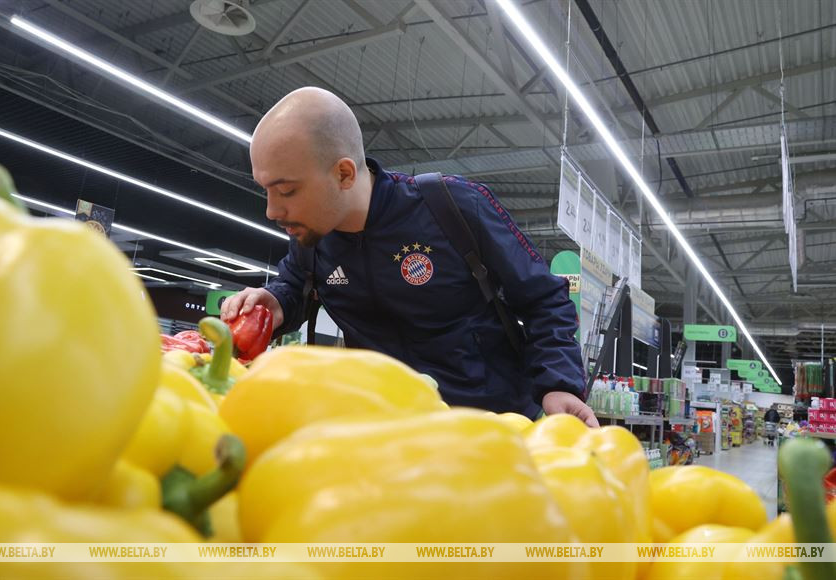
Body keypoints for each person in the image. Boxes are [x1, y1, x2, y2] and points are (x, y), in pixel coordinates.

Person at [220, 87, 595, 426]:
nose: (271, 210)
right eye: (266, 190)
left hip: (490, 431)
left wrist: (557, 384)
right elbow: (294, 286)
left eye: (286, 190)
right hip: (389, 433)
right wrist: (275, 301)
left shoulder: (453, 208)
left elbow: (544, 298)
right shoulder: (313, 239)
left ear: (344, 174)